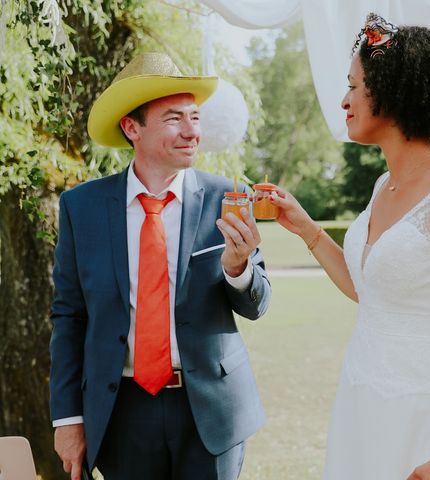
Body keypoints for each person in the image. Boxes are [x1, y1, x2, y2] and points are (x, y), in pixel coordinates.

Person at [270, 13, 430, 480]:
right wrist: (308, 230)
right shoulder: (382, 186)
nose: (343, 100)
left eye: (353, 86)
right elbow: (369, 290)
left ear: (391, 92)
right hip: (365, 399)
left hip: (429, 414)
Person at [49, 52, 271, 480]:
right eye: (174, 118)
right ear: (132, 128)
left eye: (195, 117)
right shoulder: (82, 207)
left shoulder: (230, 195)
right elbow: (69, 317)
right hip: (121, 411)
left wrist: (239, 268)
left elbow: (257, 304)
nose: (192, 132)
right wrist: (67, 418)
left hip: (211, 411)